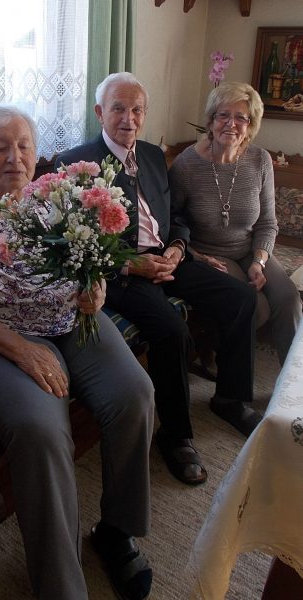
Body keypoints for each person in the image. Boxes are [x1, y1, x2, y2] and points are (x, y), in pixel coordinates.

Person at [0, 104, 155, 600]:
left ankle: (116, 532)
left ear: (37, 153)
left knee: (135, 393)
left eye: (24, 145)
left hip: (70, 322)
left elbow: (86, 260)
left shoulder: (53, 199)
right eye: (0, 147)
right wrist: (21, 351)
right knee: (40, 431)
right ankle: (62, 587)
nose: (15, 157)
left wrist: (94, 289)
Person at [55, 72, 259, 488]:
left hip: (167, 258)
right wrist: (133, 264)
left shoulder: (152, 155)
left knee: (241, 298)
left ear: (145, 116)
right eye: (118, 108)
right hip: (124, 273)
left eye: (137, 110)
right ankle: (177, 436)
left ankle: (231, 397)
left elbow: (175, 218)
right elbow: (74, 247)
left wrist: (177, 250)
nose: (128, 118)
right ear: (100, 112)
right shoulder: (76, 164)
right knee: (171, 330)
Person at [169, 81, 302, 366]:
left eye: (241, 117)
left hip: (249, 249)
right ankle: (219, 354)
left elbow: (267, 222)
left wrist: (259, 260)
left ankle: (291, 384)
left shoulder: (260, 160)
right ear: (211, 120)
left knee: (288, 298)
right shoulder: (187, 164)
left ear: (251, 124)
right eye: (223, 115)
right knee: (257, 307)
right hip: (209, 253)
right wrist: (195, 255)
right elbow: (172, 220)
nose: (232, 124)